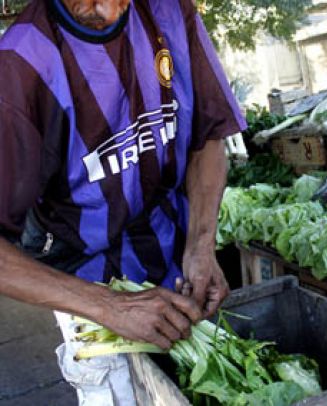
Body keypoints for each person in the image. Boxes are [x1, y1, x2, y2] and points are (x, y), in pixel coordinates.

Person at [0, 0, 246, 403]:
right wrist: (110, 306)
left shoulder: (170, 13)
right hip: (89, 297)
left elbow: (208, 135)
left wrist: (201, 246)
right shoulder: (20, 66)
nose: (106, 10)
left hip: (178, 276)